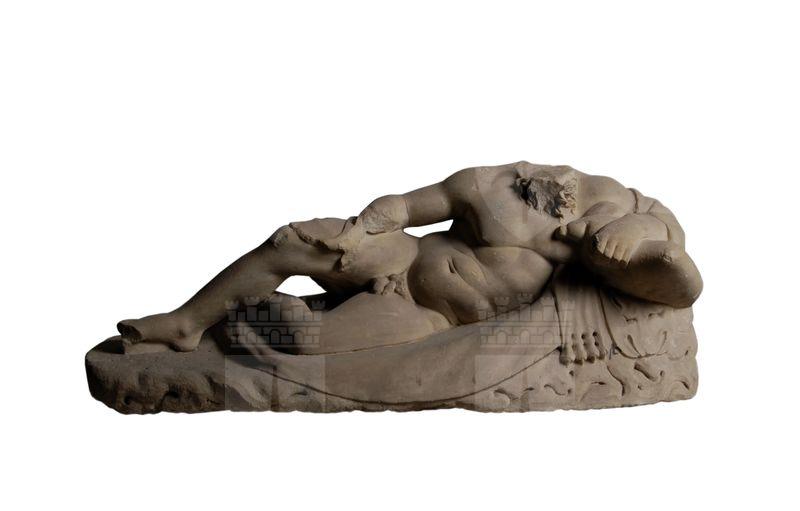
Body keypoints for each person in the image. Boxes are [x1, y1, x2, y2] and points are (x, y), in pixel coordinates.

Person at [118, 161, 702, 355]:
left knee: (306, 344)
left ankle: (256, 319)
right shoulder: (485, 184)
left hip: (435, 313)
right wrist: (359, 231)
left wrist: (637, 229)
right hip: (404, 256)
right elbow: (406, 206)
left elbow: (674, 263)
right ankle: (186, 324)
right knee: (291, 241)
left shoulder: (619, 207)